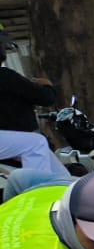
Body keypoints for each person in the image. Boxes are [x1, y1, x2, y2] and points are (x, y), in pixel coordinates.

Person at [0, 39, 71, 180]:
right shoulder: (6, 76)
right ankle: (37, 192)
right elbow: (45, 98)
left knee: (63, 177)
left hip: (10, 140)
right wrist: (47, 86)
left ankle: (65, 195)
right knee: (35, 143)